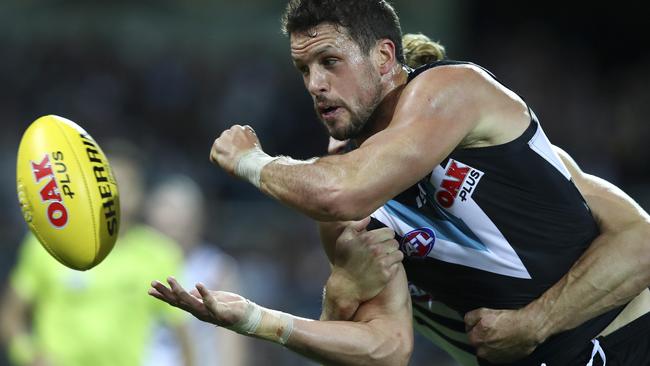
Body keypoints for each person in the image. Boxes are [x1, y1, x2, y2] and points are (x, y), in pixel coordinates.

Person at [204, 1, 650, 365]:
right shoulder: (350, 201)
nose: (315, 85)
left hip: (628, 339)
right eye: (304, 70)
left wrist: (250, 161)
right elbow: (387, 347)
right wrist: (268, 316)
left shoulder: (454, 89)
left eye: (329, 62)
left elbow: (644, 241)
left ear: (384, 59)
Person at [0, 140, 190, 366]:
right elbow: (10, 316)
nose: (111, 192)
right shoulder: (49, 243)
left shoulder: (159, 254)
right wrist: (30, 355)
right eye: (103, 182)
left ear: (140, 195)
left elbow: (183, 337)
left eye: (123, 184)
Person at [143, 174, 249, 366]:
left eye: (183, 209)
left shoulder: (217, 268)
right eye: (167, 207)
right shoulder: (133, 262)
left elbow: (230, 342)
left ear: (200, 216)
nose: (175, 218)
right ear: (150, 213)